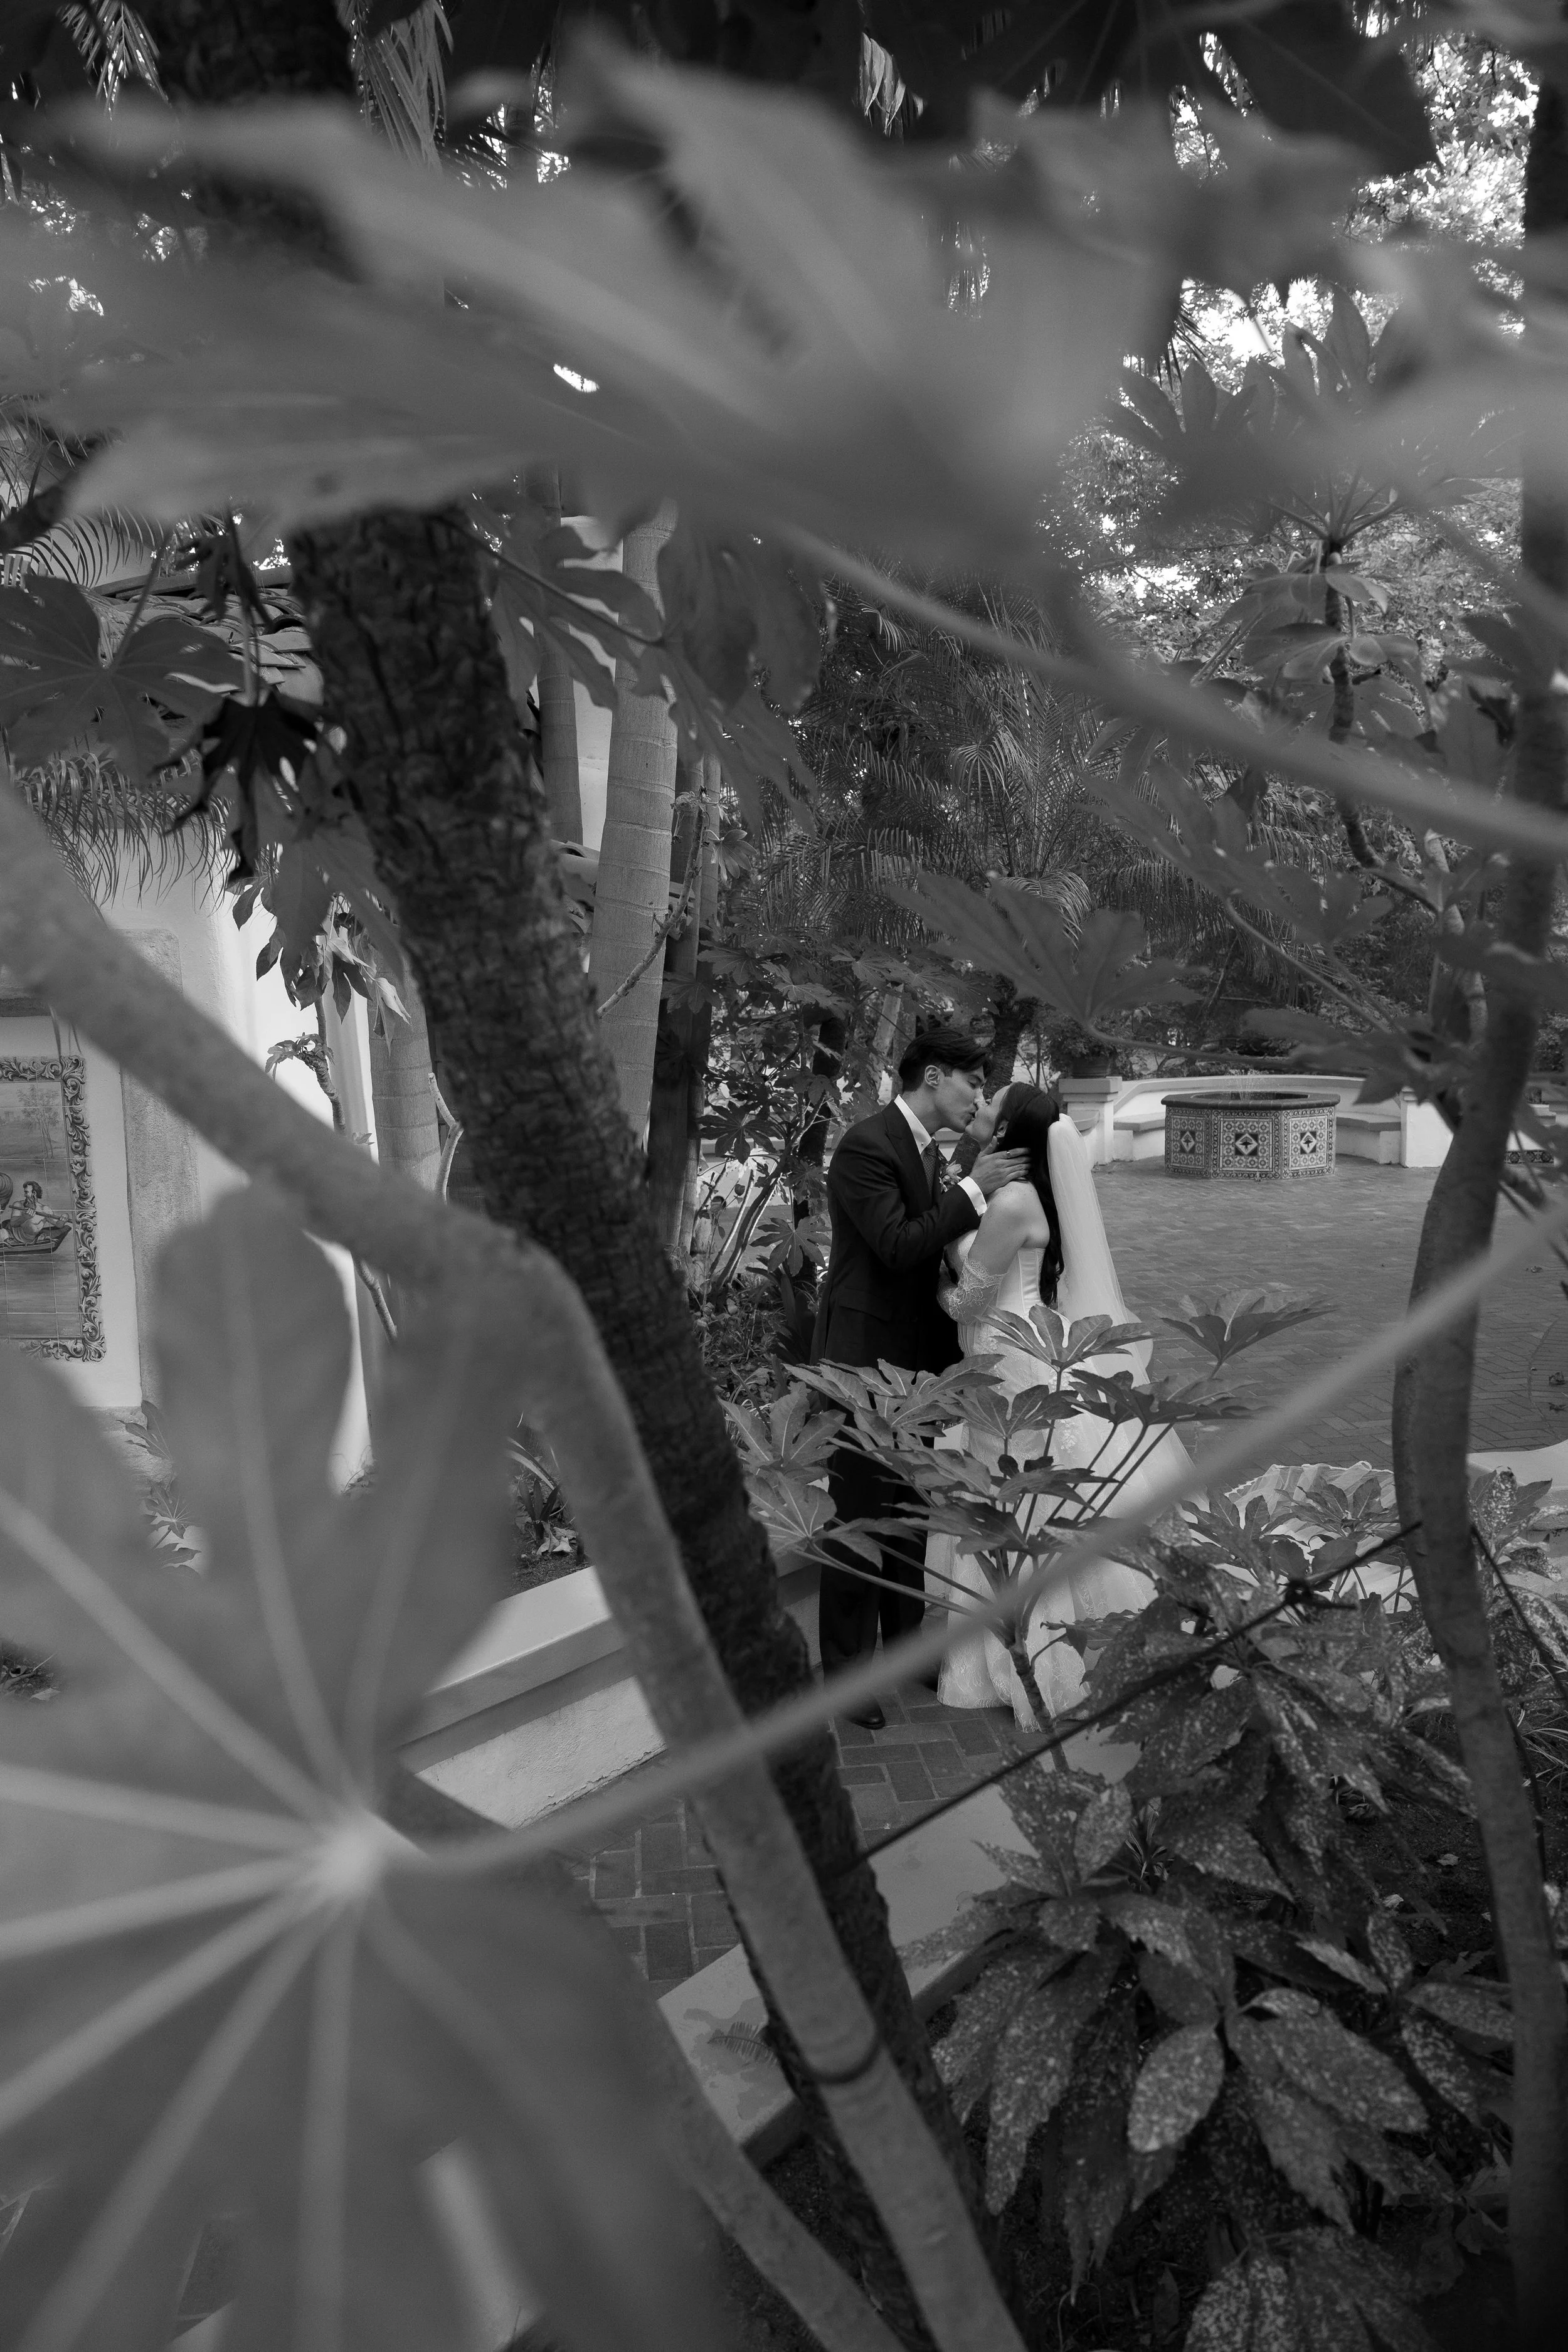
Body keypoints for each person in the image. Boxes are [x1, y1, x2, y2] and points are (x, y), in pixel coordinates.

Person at [931, 1084, 1192, 1725]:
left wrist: (934, 1276)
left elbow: (967, 1303)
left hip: (1004, 1354)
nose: (983, 1100)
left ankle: (1042, 1662)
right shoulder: (1024, 1190)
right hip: (1021, 1346)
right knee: (1021, 1497)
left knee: (1016, 1501)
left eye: (993, 1100)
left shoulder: (1013, 1200)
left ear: (1007, 1127)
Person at [811, 1025, 1028, 1726]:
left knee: (908, 1514)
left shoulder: (931, 1150)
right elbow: (900, 1245)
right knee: (861, 1516)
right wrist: (971, 1188)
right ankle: (846, 1680)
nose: (978, 1097)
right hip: (864, 1359)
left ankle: (907, 1651)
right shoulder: (865, 1145)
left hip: (918, 1365)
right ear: (934, 1076)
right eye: (973, 1082)